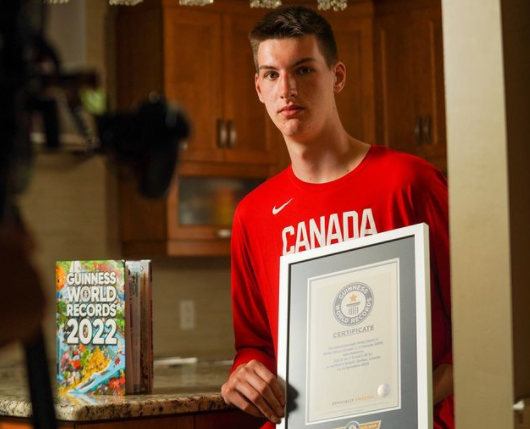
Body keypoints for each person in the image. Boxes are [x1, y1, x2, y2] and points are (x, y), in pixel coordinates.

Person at [221, 5, 453, 429]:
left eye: (304, 70)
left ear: (337, 76)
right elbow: (256, 345)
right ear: (258, 88)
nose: (287, 89)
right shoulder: (252, 214)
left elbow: (478, 325)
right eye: (271, 74)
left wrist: (409, 398)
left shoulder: (410, 182)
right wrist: (244, 374)